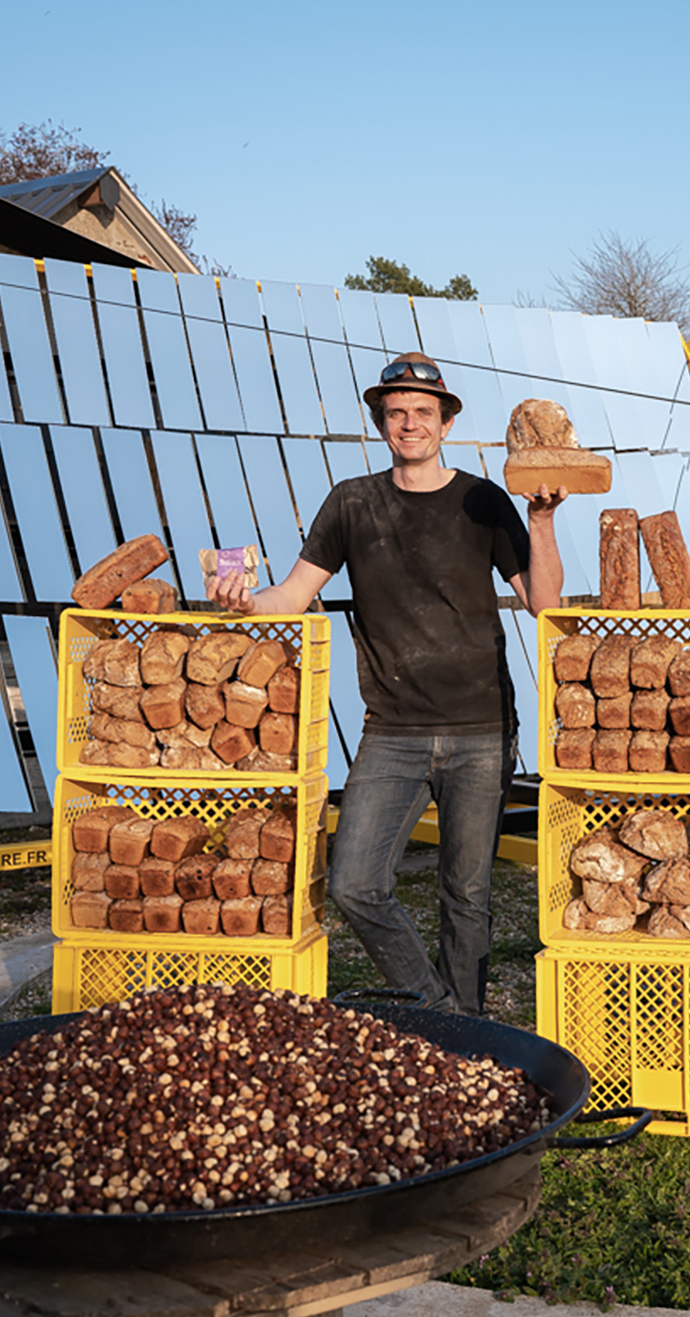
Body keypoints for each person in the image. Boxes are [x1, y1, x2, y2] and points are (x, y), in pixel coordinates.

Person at [207, 352, 564, 1014]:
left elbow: (544, 603)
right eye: (396, 412)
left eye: (423, 412)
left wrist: (540, 522)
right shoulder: (352, 502)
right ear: (381, 422)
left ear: (446, 422)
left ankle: (467, 1034)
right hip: (391, 732)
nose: (410, 423)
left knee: (467, 894)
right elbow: (290, 595)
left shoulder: (483, 500)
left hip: (481, 729)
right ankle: (445, 1012)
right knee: (354, 883)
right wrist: (241, 602)